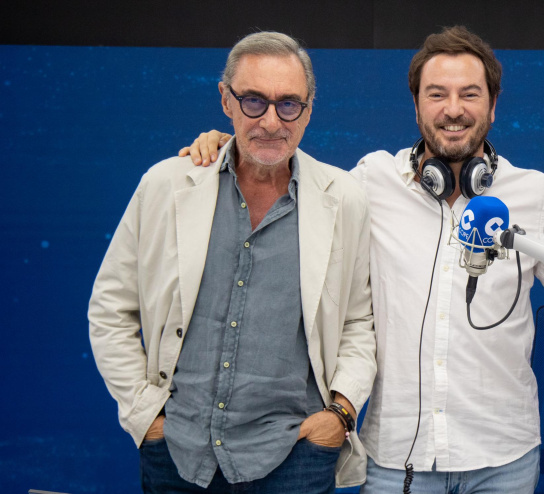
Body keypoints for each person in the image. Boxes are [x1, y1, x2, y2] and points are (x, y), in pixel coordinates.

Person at [182, 26, 544, 494]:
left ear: (493, 104)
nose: (453, 109)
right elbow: (288, 176)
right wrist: (232, 145)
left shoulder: (535, 193)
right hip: (396, 461)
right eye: (437, 94)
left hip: (504, 460)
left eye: (470, 94)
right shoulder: (368, 180)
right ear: (417, 104)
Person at [88, 31, 376, 493]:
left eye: (288, 104)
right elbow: (109, 310)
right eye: (254, 101)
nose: (270, 121)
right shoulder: (165, 185)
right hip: (177, 453)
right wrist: (146, 416)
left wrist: (340, 414)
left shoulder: (344, 199)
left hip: (295, 456)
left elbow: (361, 322)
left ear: (307, 111)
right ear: (226, 100)